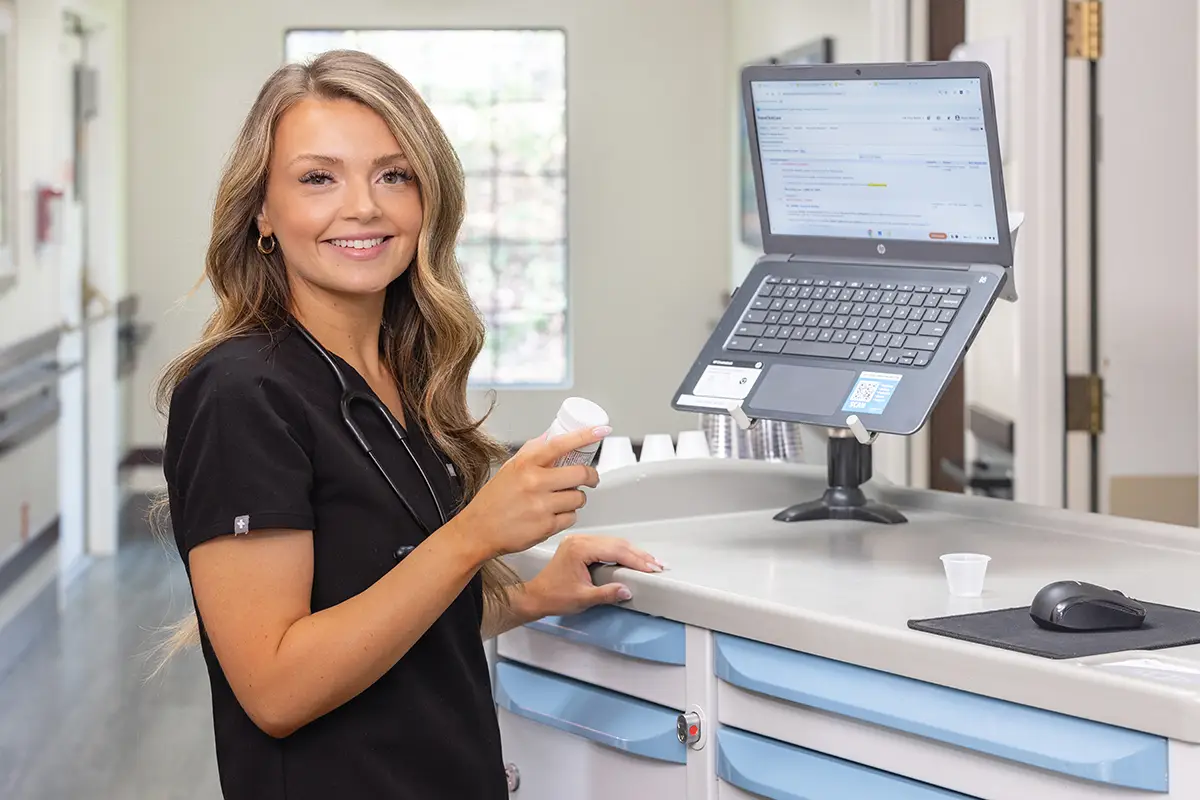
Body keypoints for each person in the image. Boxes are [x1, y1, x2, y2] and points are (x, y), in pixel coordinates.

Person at [154, 49, 663, 800]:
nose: (364, 206)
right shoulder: (240, 394)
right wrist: (476, 534)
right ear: (263, 210)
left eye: (394, 175)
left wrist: (526, 596)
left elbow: (389, 603)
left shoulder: (404, 374)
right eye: (318, 177)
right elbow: (276, 689)